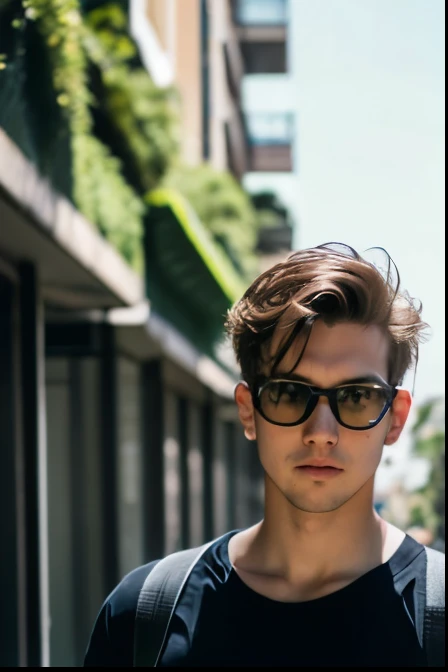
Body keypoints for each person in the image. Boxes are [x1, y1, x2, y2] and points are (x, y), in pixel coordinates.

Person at [84, 242, 443, 667]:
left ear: (395, 417)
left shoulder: (435, 615)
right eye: (290, 394)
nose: (321, 433)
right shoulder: (143, 616)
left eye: (356, 396)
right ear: (248, 411)